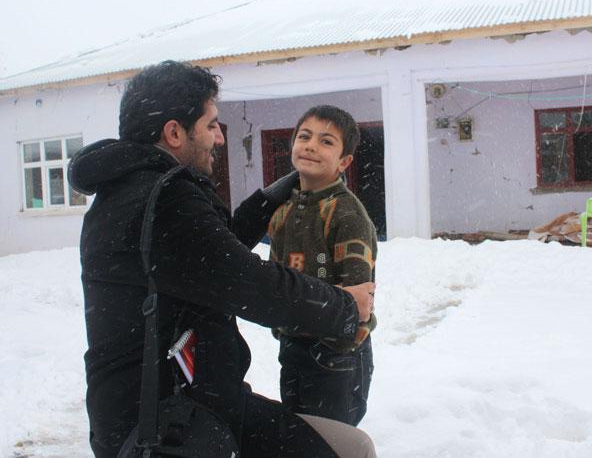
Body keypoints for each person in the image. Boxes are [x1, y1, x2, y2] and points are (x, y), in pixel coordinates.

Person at [69, 60, 377, 457]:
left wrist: (268, 199)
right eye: (211, 125)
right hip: (170, 428)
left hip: (179, 406)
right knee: (350, 449)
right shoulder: (164, 199)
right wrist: (345, 306)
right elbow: (249, 283)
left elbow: (209, 258)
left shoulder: (130, 191)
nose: (218, 137)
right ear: (175, 132)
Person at [265, 106, 377, 426]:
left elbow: (359, 298)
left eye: (326, 141)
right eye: (304, 136)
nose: (311, 145)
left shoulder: (346, 214)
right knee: (299, 434)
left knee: (331, 440)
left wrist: (331, 347)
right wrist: (284, 328)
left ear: (345, 162)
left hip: (334, 355)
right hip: (294, 345)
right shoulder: (284, 210)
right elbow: (276, 274)